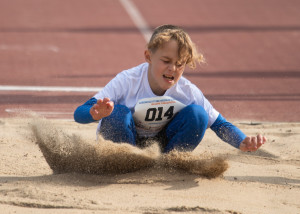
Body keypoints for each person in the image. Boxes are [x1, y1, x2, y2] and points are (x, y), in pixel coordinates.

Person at [74, 24, 267, 153]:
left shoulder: (187, 90)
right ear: (148, 57)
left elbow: (220, 124)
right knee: (117, 113)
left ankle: (169, 165)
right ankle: (127, 164)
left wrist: (242, 142)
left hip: (161, 147)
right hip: (124, 143)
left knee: (198, 115)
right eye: (166, 61)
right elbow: (79, 113)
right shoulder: (128, 80)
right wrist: (95, 114)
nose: (172, 69)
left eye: (180, 64)